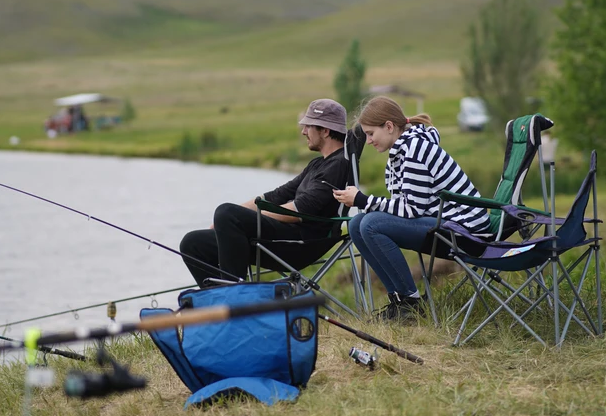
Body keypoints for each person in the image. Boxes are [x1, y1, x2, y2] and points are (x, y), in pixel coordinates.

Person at [332, 96, 489, 321]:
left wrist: (362, 200)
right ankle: (400, 301)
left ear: (389, 127)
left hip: (465, 231)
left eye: (370, 134)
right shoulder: (400, 152)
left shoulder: (414, 149)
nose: (367, 141)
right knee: (357, 224)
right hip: (444, 223)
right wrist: (364, 203)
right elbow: (404, 207)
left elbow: (411, 210)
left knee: (370, 223)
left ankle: (411, 302)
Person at [180, 99, 351, 288]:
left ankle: (235, 298)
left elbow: (300, 210)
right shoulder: (317, 164)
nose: (303, 132)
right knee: (192, 243)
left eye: (308, 126)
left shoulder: (338, 165)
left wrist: (241, 217)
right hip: (284, 237)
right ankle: (219, 302)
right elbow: (275, 195)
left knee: (226, 213)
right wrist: (228, 218)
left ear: (325, 131)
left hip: (300, 244)